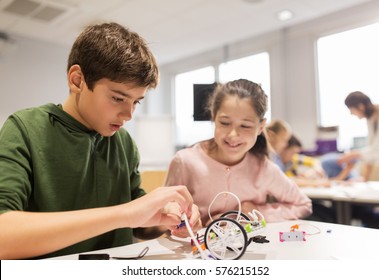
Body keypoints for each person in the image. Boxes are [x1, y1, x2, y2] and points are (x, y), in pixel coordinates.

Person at [0, 22, 201, 260]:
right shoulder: (25, 128)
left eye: (136, 102)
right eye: (118, 98)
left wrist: (164, 218)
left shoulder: (123, 142)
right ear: (77, 81)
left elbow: (137, 222)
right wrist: (125, 213)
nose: (129, 115)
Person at [164, 79, 312, 226]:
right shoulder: (185, 162)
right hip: (195, 248)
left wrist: (256, 212)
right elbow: (165, 216)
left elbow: (303, 205)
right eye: (225, 123)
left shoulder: (263, 168)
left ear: (261, 127)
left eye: (245, 126)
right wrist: (178, 223)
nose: (233, 134)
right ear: (213, 116)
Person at [338, 91, 379, 181]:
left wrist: (352, 155)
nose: (351, 113)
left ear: (360, 106)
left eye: (351, 109)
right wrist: (365, 178)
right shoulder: (371, 119)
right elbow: (371, 149)